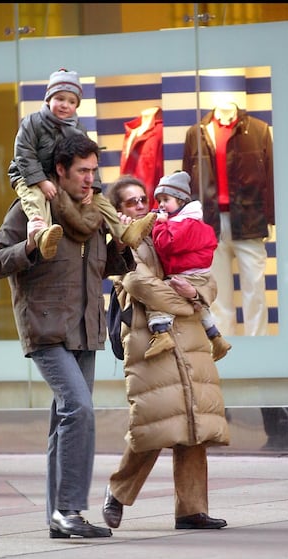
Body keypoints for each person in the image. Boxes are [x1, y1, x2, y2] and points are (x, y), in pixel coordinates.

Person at [0, 133, 132, 539]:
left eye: (94, 171)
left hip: (85, 330)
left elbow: (96, 270)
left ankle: (58, 517)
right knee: (79, 410)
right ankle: (69, 509)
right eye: (82, 171)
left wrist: (121, 247)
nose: (90, 179)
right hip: (46, 327)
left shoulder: (93, 215)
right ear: (60, 170)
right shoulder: (32, 209)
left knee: (64, 422)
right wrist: (31, 247)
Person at [102, 175, 230, 532]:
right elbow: (138, 283)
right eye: (131, 202)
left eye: (144, 199)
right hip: (150, 342)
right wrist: (188, 301)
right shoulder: (120, 243)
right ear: (119, 210)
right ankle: (117, 491)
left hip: (189, 341)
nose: (142, 206)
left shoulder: (173, 228)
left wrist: (195, 291)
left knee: (193, 425)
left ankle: (191, 510)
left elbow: (208, 279)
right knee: (153, 425)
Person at [8, 67, 156, 260]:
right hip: (28, 175)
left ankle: (124, 231)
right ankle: (42, 236)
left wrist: (92, 188)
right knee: (35, 199)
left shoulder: (77, 129)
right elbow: (24, 153)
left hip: (58, 178)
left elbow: (90, 158)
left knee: (101, 201)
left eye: (71, 101)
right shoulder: (33, 122)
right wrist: (41, 181)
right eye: (59, 99)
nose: (64, 105)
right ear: (48, 99)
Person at [182, 102, 275, 336]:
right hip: (210, 222)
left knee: (255, 288)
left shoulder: (259, 129)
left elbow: (271, 177)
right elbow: (188, 179)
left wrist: (271, 217)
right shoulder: (197, 132)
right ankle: (225, 346)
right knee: (218, 292)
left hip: (250, 218)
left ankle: (258, 344)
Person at [144, 170, 232, 362]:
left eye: (166, 199)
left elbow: (166, 244)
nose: (161, 205)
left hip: (188, 274)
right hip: (197, 274)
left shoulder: (183, 223)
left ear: (181, 201)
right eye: (159, 201)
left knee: (159, 295)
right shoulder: (189, 221)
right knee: (199, 307)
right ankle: (216, 337)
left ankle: (161, 333)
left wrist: (159, 224)